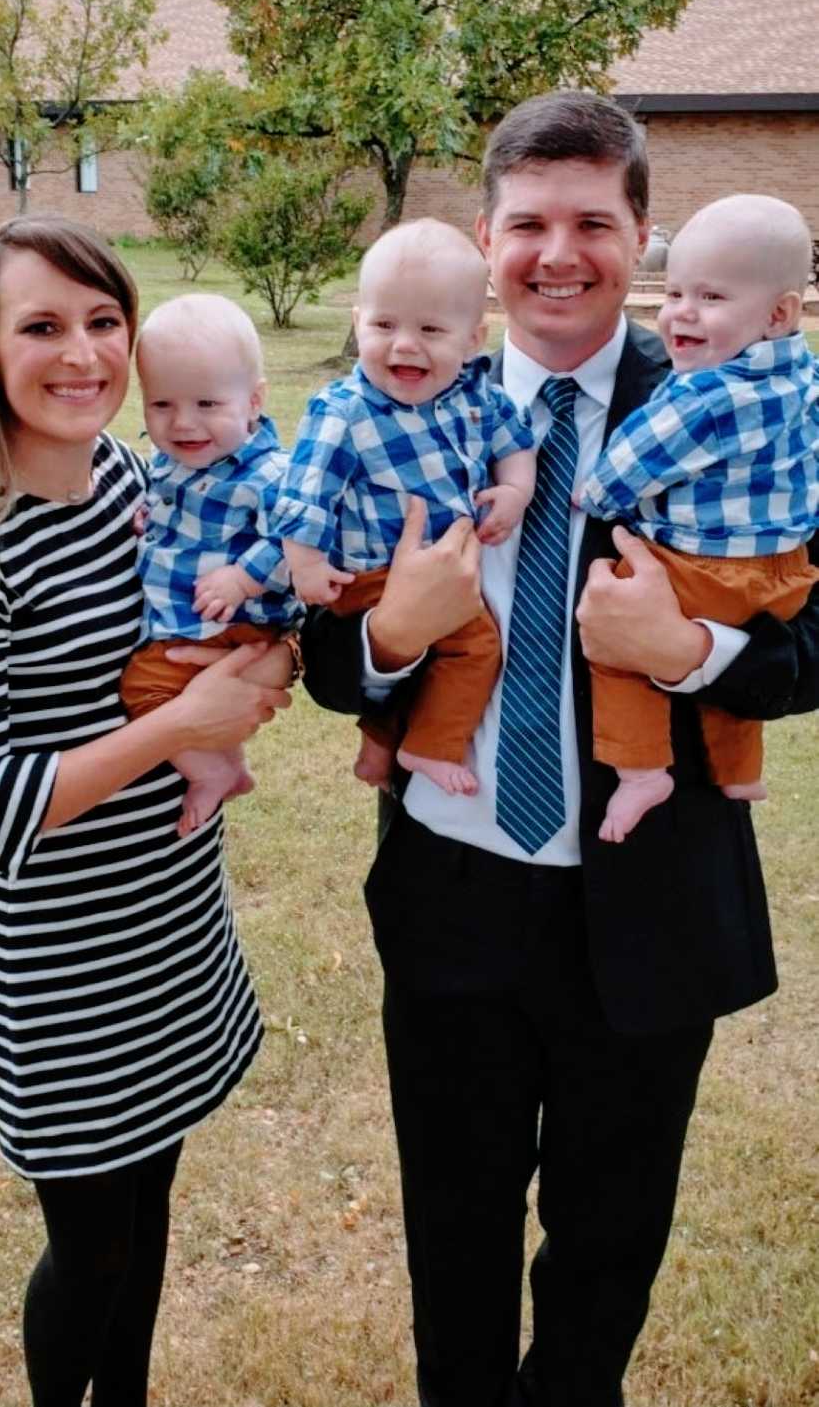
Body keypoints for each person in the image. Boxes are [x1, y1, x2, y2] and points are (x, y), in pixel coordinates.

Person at [300, 92, 819, 1407]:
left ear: (640, 240)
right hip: (455, 903)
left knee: (606, 1253)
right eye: (529, 223)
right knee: (455, 1248)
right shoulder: (399, 395)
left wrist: (689, 656)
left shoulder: (737, 401)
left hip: (648, 909)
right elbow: (324, 645)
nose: (559, 252)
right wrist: (393, 643)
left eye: (594, 220)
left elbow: (813, 637)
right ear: (487, 240)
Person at [0, 217, 292, 1407]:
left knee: (153, 1205)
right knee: (94, 1246)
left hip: (170, 928)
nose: (81, 355)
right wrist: (179, 731)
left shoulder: (141, 479)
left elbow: (226, 613)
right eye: (41, 326)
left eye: (102, 323)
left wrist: (260, 666)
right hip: (62, 974)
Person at [579, 193, 818, 841]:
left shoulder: (698, 393)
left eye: (710, 298)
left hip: (700, 569)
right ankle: (740, 768)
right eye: (677, 292)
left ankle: (641, 769)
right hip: (784, 569)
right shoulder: (803, 378)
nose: (682, 311)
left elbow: (630, 462)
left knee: (617, 648)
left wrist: (694, 651)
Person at [275, 217, 536, 796]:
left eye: (431, 329)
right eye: (384, 323)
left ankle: (380, 746)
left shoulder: (476, 396)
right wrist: (305, 566)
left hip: (440, 567)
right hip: (373, 575)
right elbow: (305, 492)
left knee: (438, 654)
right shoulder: (345, 411)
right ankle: (428, 748)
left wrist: (515, 491)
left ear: (473, 338)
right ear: (356, 323)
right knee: (474, 646)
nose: (404, 344)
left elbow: (515, 444)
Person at [120, 293, 301, 836]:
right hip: (198, 620)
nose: (182, 424)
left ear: (254, 401)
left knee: (143, 691)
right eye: (162, 405)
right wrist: (146, 516)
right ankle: (230, 765)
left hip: (231, 621)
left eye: (206, 405)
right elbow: (169, 503)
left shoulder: (269, 474)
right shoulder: (171, 462)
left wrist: (244, 576)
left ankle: (212, 774)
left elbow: (300, 535)